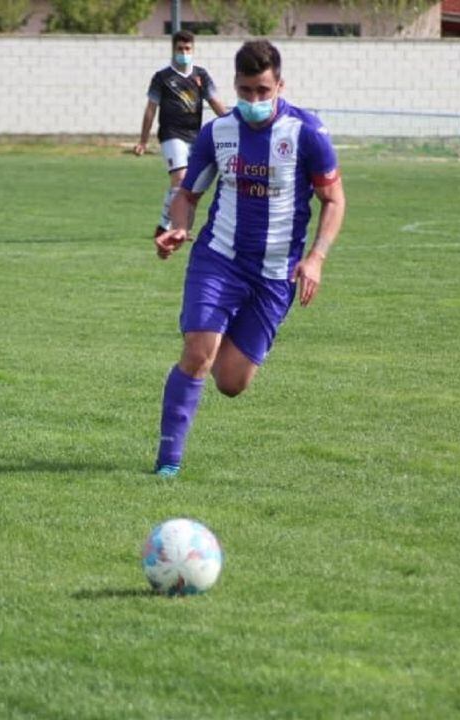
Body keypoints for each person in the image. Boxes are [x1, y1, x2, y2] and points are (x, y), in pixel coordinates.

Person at [151, 39, 346, 477]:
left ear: (280, 84)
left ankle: (214, 349)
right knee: (199, 350)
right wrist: (178, 227)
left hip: (276, 273)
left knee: (232, 382)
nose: (254, 101)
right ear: (234, 86)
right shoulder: (217, 132)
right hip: (219, 258)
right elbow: (188, 194)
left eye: (263, 90)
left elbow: (333, 200)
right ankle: (167, 463)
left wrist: (316, 258)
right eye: (245, 91)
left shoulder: (307, 133)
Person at [134, 30, 228, 238]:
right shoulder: (162, 78)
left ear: (193, 50)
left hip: (195, 136)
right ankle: (166, 226)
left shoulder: (200, 75)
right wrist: (143, 140)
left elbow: (215, 102)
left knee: (190, 185)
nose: (184, 53)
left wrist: (235, 124)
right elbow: (151, 109)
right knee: (180, 179)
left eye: (187, 49)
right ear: (173, 50)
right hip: (171, 135)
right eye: (180, 49)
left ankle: (179, 226)